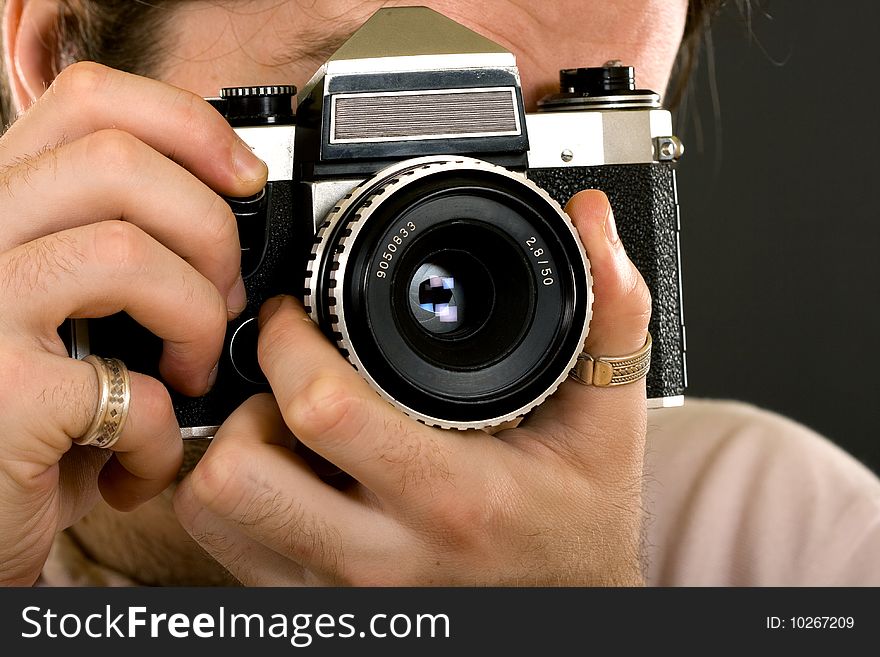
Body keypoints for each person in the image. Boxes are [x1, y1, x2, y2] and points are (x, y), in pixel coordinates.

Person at [0, 0, 877, 587]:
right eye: (361, 118)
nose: (462, 222)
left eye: (535, 137)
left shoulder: (789, 543)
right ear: (57, 59)